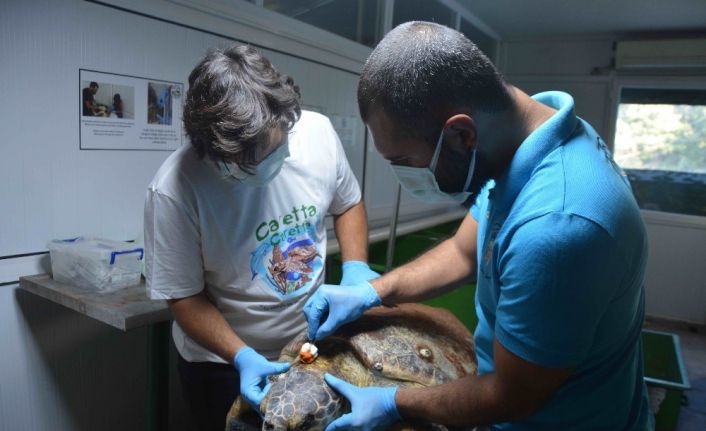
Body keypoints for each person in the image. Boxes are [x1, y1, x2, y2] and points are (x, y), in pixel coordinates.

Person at [304, 21, 652, 431]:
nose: (405, 175)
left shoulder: (555, 226)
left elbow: (509, 395)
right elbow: (462, 252)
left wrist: (394, 402)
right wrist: (370, 292)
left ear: (461, 135)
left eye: (404, 162)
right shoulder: (524, 143)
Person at [144, 45, 379, 431]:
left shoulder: (316, 132)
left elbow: (348, 203)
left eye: (279, 143)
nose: (278, 157)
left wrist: (355, 268)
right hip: (221, 364)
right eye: (257, 158)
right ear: (216, 155)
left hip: (311, 348)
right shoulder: (175, 189)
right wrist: (241, 356)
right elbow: (183, 297)